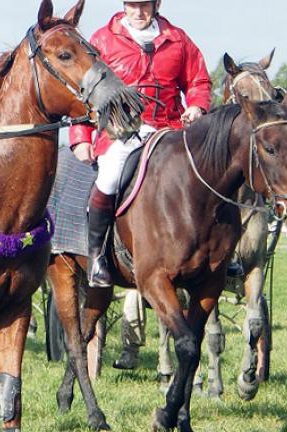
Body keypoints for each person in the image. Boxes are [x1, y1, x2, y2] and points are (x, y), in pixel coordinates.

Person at [70, 0, 212, 289]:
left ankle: (217, 253)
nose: (138, 11)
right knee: (108, 179)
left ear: (156, 4)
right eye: (132, 5)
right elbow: (81, 96)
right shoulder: (102, 40)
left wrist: (197, 107)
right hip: (121, 132)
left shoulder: (179, 39)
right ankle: (97, 256)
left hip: (171, 130)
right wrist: (81, 139)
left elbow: (198, 81)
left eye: (144, 4)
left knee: (208, 173)